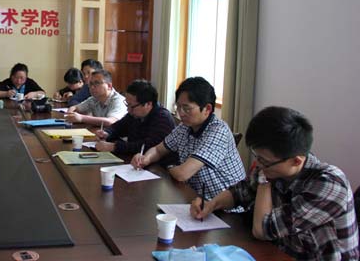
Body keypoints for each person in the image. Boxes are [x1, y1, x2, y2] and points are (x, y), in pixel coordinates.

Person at [190, 106, 359, 260]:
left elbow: (262, 230)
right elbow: (238, 192)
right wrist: (211, 204)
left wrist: (264, 180)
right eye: (257, 156)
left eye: (264, 161)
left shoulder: (330, 185)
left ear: (296, 161)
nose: (258, 164)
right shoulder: (276, 167)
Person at [131, 77, 245, 202]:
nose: (181, 113)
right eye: (178, 107)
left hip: (224, 206)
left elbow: (182, 174)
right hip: (196, 199)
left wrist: (169, 167)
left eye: (186, 108)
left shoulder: (218, 131)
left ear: (207, 109)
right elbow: (158, 150)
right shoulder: (184, 127)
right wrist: (145, 159)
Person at [95, 80, 178, 166]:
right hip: (134, 162)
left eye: (131, 106)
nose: (128, 110)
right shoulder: (134, 114)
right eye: (127, 104)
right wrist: (106, 133)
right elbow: (118, 127)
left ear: (148, 104)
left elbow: (148, 146)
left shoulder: (162, 118)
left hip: (158, 167)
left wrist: (115, 147)